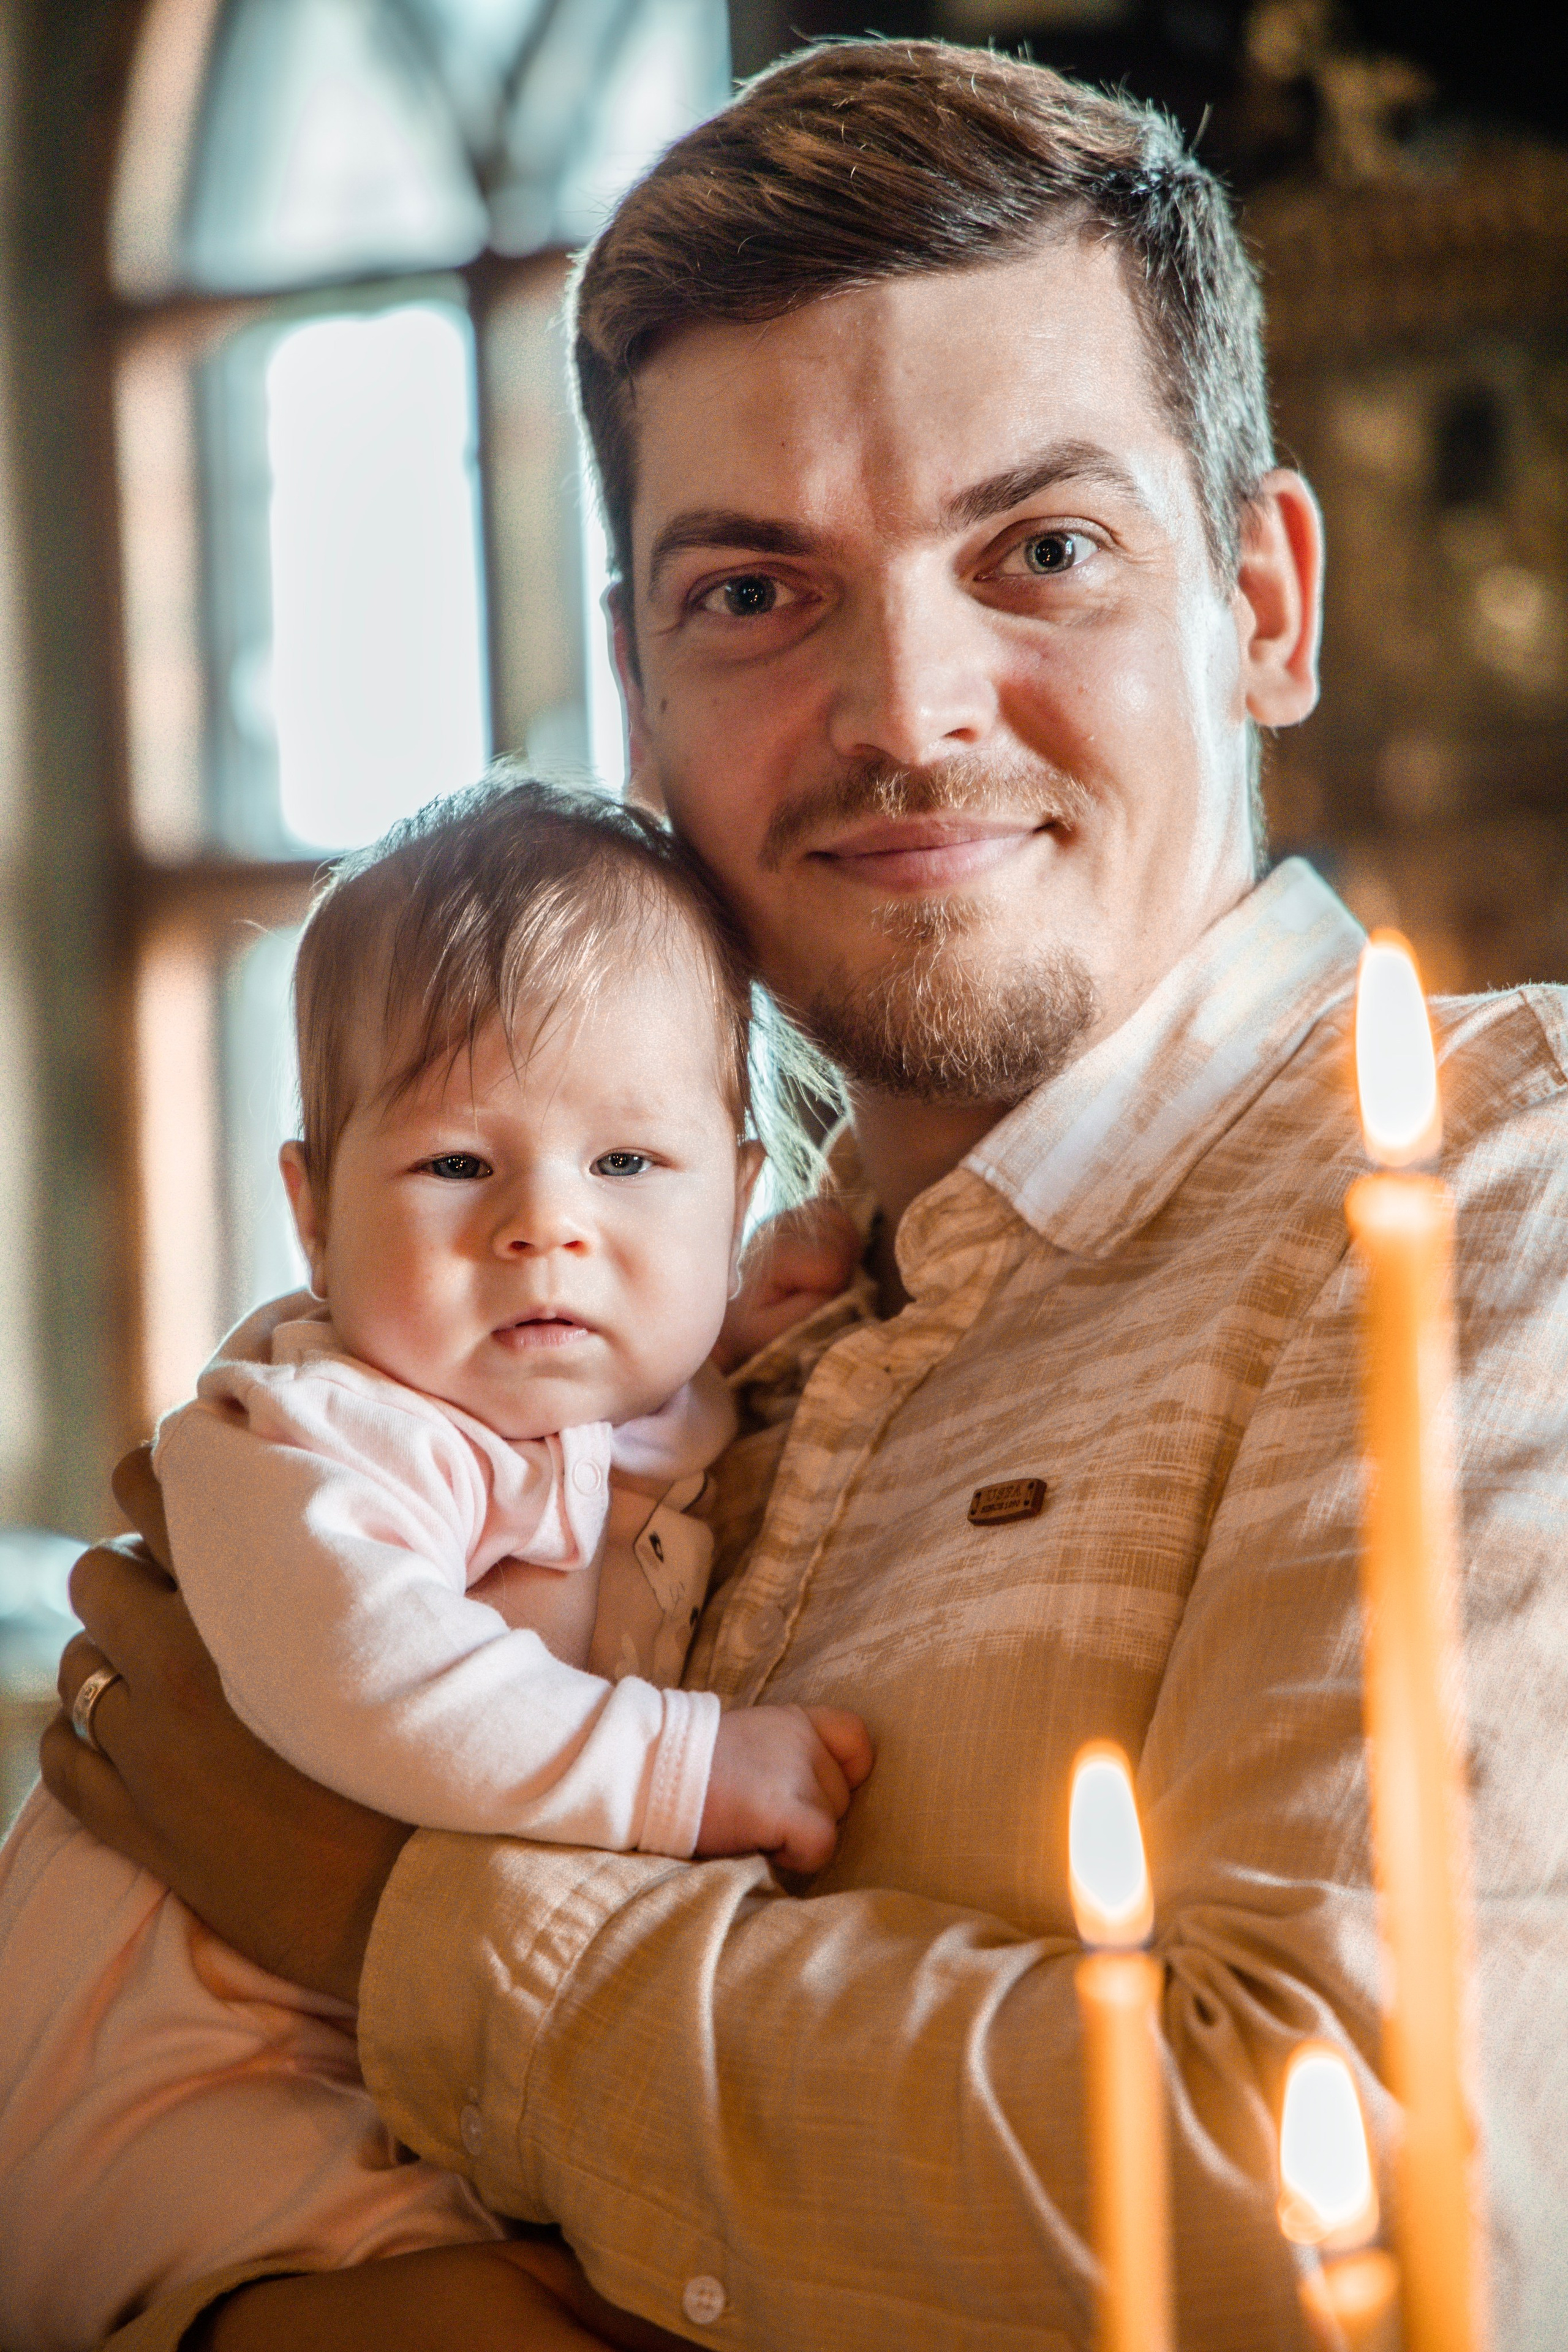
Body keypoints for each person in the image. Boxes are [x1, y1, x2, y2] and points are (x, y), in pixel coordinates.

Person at [40, 37, 1568, 2351]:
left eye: (1043, 551)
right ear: (639, 701)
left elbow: (1338, 2237)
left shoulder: (1489, 1194)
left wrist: (389, 1912)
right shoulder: (656, 1330)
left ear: (1263, 600)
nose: (908, 711)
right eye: (756, 591)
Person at [0, 779, 870, 2350]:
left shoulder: (609, 1403)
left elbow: (640, 1443)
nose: (545, 1228)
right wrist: (676, 1769)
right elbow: (367, 1670)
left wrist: (733, 1324)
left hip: (370, 2075)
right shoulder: (320, 1426)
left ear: (738, 1196)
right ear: (314, 1215)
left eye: (629, 1166)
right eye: (458, 1166)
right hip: (178, 2099)